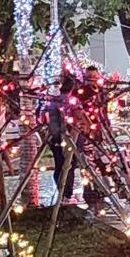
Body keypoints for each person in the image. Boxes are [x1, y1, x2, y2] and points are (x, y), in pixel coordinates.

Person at [46, 74, 78, 202]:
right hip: (66, 137)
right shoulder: (69, 101)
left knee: (59, 164)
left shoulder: (53, 101)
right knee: (69, 164)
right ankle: (66, 192)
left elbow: (45, 115)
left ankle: (62, 190)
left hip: (54, 137)